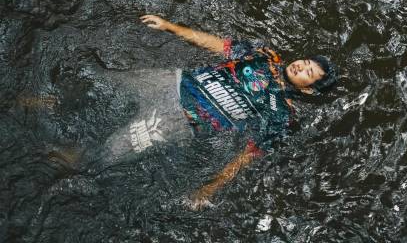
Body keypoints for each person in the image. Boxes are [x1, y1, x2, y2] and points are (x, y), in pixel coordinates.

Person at [102, 14, 337, 209]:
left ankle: (71, 157)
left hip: (178, 120)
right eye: (306, 62)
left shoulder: (281, 115)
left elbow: (247, 156)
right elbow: (215, 44)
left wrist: (208, 189)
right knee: (99, 79)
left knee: (109, 152)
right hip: (172, 81)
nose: (301, 66)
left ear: (309, 91)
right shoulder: (263, 55)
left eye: (309, 73)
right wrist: (169, 26)